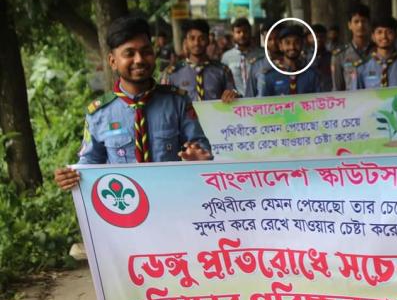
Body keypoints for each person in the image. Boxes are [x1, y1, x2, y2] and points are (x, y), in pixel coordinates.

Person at [54, 15, 213, 190]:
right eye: (129, 54)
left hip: (173, 196)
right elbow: (90, 162)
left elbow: (200, 146)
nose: (139, 60)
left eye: (146, 52)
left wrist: (199, 157)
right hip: (126, 202)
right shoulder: (99, 113)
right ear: (113, 61)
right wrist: (70, 176)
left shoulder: (177, 102)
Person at [159, 19, 238, 102]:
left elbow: (235, 98)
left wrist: (233, 95)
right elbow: (165, 103)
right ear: (185, 42)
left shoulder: (222, 71)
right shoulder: (172, 73)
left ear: (208, 40)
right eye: (192, 38)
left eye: (202, 38)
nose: (196, 43)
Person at [354, 17, 397, 89]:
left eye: (389, 32)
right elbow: (355, 94)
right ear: (373, 37)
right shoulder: (362, 67)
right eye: (379, 32)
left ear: (395, 35)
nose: (384, 36)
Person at [262, 24, 319, 96]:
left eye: (297, 42)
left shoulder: (311, 75)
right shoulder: (271, 76)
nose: (292, 47)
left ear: (302, 45)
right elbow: (265, 101)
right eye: (287, 43)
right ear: (280, 46)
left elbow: (320, 99)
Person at [331, 3, 373, 91]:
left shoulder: (377, 51)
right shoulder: (340, 55)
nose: (360, 25)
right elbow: (337, 88)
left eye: (364, 21)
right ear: (349, 25)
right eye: (356, 21)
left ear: (369, 24)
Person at [220, 18, 264, 97]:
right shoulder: (226, 57)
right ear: (233, 34)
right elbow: (225, 81)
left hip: (259, 99)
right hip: (236, 101)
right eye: (238, 32)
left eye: (245, 31)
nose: (242, 35)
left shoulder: (262, 54)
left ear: (250, 32)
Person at [246, 21, 282, 97]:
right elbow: (250, 96)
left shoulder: (294, 64)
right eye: (269, 39)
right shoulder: (257, 66)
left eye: (277, 38)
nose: (273, 43)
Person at [309, 23, 333, 92]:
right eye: (315, 36)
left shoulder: (331, 57)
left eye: (321, 36)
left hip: (328, 92)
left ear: (326, 38)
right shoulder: (304, 57)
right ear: (309, 38)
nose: (318, 39)